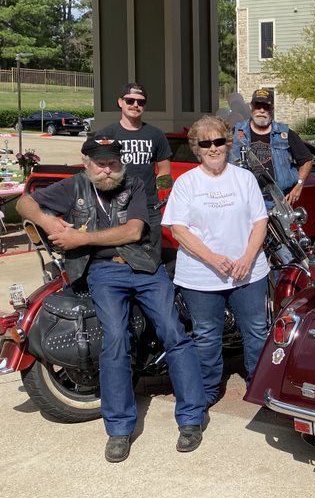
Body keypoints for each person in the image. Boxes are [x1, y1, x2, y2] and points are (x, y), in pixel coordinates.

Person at [16, 137, 206, 463]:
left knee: (173, 332)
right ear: (87, 163)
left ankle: (191, 418)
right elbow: (24, 203)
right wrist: (49, 221)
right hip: (104, 272)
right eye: (100, 163)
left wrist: (78, 237)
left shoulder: (134, 183)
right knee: (114, 339)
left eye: (112, 163)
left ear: (121, 163)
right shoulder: (74, 186)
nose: (107, 170)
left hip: (146, 268)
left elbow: (133, 231)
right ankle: (118, 429)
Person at [163, 116, 270, 410]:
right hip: (200, 275)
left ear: (228, 143)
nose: (213, 148)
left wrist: (247, 258)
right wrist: (212, 258)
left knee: (257, 330)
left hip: (248, 272)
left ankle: (259, 383)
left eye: (218, 141)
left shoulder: (244, 178)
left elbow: (260, 221)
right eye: (205, 143)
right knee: (206, 336)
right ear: (197, 148)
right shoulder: (186, 182)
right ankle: (208, 389)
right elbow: (178, 230)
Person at [94, 83, 172, 251]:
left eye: (140, 102)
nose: (135, 105)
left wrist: (160, 195)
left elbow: (165, 168)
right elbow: (95, 168)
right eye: (130, 101)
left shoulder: (156, 135)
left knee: (151, 255)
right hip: (114, 205)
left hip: (149, 207)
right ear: (120, 102)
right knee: (115, 256)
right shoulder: (106, 135)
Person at [230, 88, 312, 206]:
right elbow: (221, 158)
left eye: (266, 106)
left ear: (272, 109)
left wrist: (299, 185)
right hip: (244, 201)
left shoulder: (285, 133)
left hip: (277, 203)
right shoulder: (236, 132)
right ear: (251, 107)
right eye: (258, 106)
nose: (262, 110)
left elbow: (307, 160)